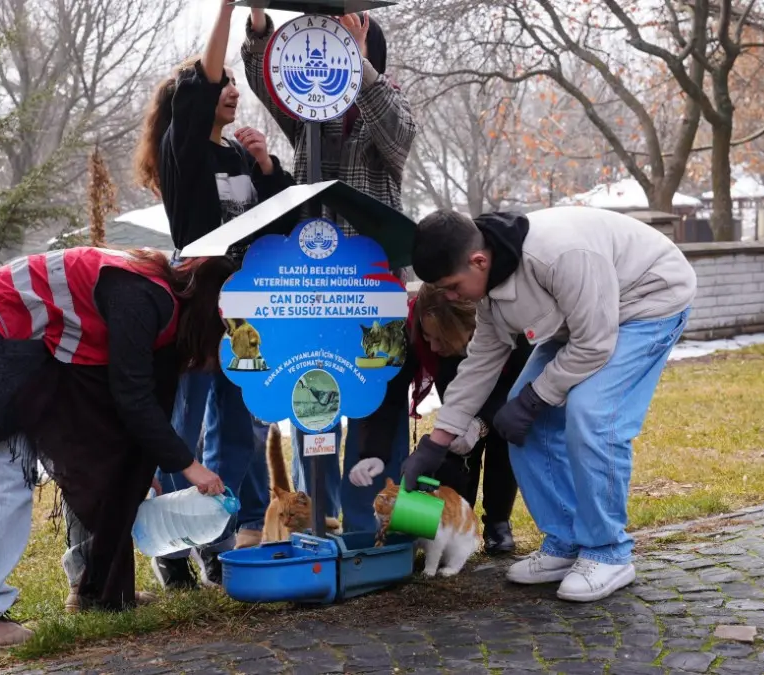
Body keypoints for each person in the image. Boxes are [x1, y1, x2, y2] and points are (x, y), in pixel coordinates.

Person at [0, 247, 234, 650]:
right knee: (5, 475)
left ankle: (90, 586)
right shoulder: (142, 295)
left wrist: (135, 467)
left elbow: (122, 405)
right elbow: (133, 397)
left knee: (94, 464)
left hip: (17, 348)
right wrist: (189, 466)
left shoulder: (153, 291)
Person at [400, 206, 696, 602]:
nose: (452, 297)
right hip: (582, 320)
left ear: (478, 260)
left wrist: (534, 398)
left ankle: (608, 551)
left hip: (647, 301)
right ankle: (567, 539)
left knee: (592, 415)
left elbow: (594, 344)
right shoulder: (488, 288)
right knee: (524, 423)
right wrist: (436, 443)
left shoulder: (559, 255)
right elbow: (481, 362)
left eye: (452, 286)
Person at [133, 0, 297, 586]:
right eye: (222, 82)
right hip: (198, 303)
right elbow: (200, 83)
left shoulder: (237, 156)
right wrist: (228, 9)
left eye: (235, 84)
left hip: (248, 306)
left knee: (243, 420)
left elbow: (279, 228)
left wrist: (268, 167)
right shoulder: (184, 148)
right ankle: (173, 546)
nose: (231, 89)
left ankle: (222, 535)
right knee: (185, 422)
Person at [242, 8, 418, 532]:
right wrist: (257, 27)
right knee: (313, 396)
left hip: (377, 286)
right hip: (313, 284)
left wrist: (359, 65)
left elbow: (398, 135)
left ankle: (375, 522)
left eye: (340, 48)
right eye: (322, 48)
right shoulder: (307, 117)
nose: (327, 59)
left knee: (377, 404)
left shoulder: (390, 105)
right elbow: (270, 75)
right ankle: (321, 518)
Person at [349, 284, 531, 553]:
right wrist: (373, 452)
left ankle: (497, 523)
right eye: (427, 335)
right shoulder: (410, 331)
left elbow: (520, 385)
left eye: (443, 340)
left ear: (472, 329)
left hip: (505, 392)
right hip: (455, 392)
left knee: (502, 444)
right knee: (451, 456)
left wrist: (481, 423)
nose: (432, 345)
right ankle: (451, 527)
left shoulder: (508, 326)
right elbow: (392, 394)